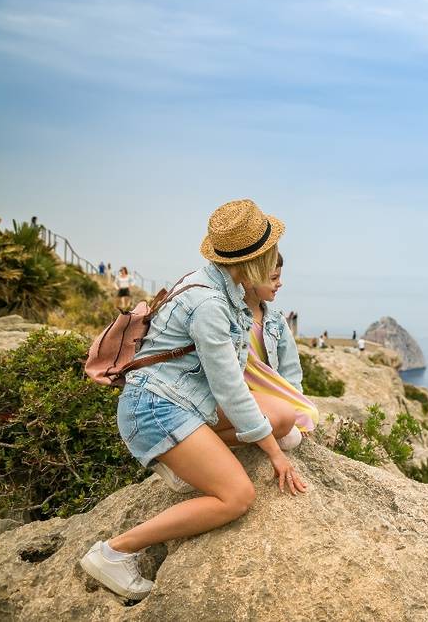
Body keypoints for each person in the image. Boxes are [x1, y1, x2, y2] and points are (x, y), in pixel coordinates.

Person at [78, 199, 307, 601]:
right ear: (254, 259)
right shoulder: (209, 305)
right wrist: (274, 454)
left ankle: (186, 461)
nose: (276, 264)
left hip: (182, 403)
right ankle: (115, 552)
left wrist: (276, 432)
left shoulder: (216, 282)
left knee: (281, 416)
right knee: (237, 497)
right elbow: (229, 389)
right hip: (156, 410)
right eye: (270, 255)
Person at [238, 252, 318, 451]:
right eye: (274, 278)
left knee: (308, 414)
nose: (280, 283)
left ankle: (265, 429)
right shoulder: (228, 316)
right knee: (291, 433)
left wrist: (293, 400)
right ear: (248, 281)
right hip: (240, 396)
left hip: (270, 397)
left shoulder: (278, 322)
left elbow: (290, 372)